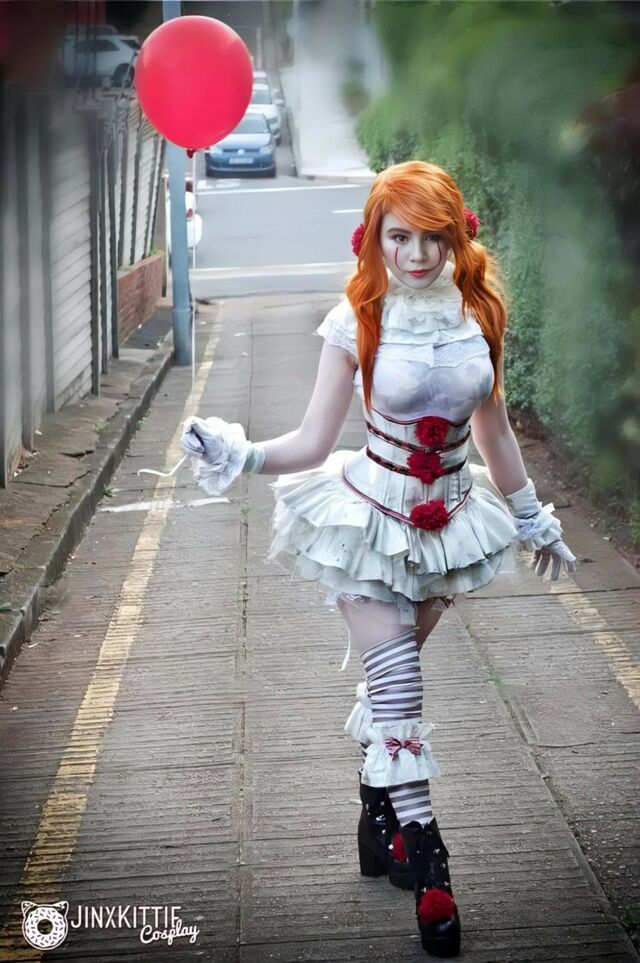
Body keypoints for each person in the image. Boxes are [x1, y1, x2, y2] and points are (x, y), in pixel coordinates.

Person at [180, 160, 577, 959]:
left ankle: (378, 811)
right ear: (374, 239)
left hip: (449, 525)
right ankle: (432, 869)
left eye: (432, 237)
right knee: (399, 685)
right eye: (400, 237)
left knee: (389, 683)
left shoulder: (478, 313)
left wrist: (533, 518)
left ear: (456, 236)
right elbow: (312, 441)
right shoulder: (355, 318)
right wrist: (240, 453)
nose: (417, 254)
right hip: (366, 522)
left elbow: (495, 431)